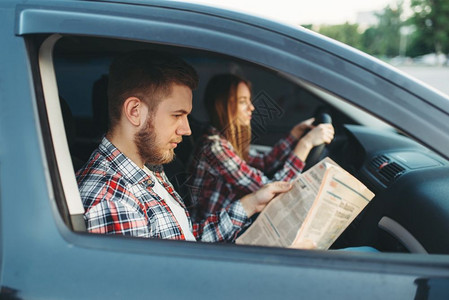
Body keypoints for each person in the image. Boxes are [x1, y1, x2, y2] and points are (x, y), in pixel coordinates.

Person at [76, 50, 292, 243]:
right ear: (135, 111)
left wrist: (250, 204)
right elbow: (161, 286)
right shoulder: (113, 201)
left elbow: (185, 238)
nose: (187, 130)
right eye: (177, 115)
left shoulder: (147, 167)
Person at [187, 74, 335, 219]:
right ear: (222, 105)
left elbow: (264, 162)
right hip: (217, 237)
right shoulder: (215, 147)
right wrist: (305, 144)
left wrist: (295, 135)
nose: (251, 107)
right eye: (242, 101)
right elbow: (270, 190)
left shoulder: (225, 140)